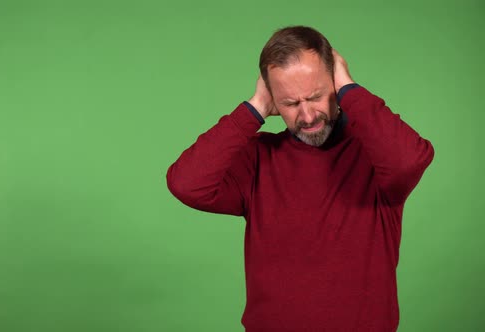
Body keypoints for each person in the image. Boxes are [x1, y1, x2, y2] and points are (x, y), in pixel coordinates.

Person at [166, 26, 434, 331]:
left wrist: (349, 87)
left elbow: (410, 160)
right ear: (274, 102)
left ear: (335, 83)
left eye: (316, 96)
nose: (307, 116)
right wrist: (253, 109)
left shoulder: (376, 156)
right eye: (290, 104)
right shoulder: (259, 159)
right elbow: (186, 184)